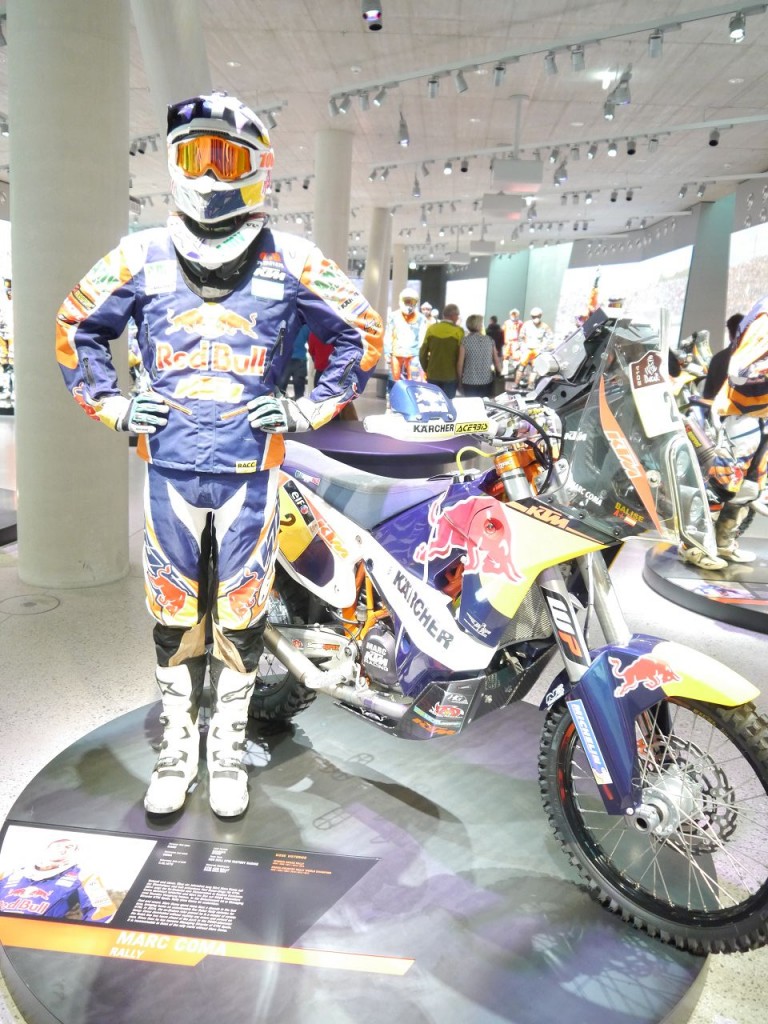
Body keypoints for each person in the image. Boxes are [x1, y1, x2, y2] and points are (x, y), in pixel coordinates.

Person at [56, 92, 383, 818]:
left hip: (251, 475)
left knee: (241, 618)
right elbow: (76, 322)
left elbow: (361, 330)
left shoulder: (290, 257)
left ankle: (226, 752)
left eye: (225, 158)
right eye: (194, 156)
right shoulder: (140, 254)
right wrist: (112, 405)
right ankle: (177, 751)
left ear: (258, 165)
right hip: (170, 471)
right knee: (174, 618)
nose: (207, 175)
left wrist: (308, 408)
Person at [0, 836, 116, 923]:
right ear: (46, 849)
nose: (62, 849)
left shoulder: (84, 876)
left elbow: (104, 911)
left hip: (35, 938)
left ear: (75, 853)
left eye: (68, 847)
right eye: (57, 845)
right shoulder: (8, 874)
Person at [384, 287, 428, 386]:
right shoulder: (393, 316)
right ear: (401, 301)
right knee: (394, 380)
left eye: (412, 302)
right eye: (407, 301)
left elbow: (422, 337)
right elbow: (388, 334)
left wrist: (421, 354)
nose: (409, 304)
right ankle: (391, 394)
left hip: (414, 354)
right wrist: (387, 351)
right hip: (396, 353)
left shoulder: (421, 318)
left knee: (414, 381)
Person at [418, 302, 463, 398]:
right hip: (450, 375)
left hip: (433, 373)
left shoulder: (431, 329)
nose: (458, 318)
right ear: (453, 316)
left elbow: (422, 353)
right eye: (457, 315)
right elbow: (461, 356)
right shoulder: (459, 331)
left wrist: (427, 368)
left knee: (433, 402)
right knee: (448, 402)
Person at [457, 314, 501, 398]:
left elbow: (460, 364)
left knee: (471, 404)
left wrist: (459, 381)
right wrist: (499, 372)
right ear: (478, 325)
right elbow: (496, 361)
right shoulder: (490, 340)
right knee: (485, 404)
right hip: (486, 381)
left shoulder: (465, 341)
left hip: (469, 381)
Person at [515, 307, 553, 388]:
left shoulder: (544, 326)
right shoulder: (526, 325)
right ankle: (516, 383)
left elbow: (550, 338)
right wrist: (522, 347)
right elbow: (521, 337)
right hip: (527, 349)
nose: (536, 318)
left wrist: (543, 348)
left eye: (537, 316)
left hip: (537, 350)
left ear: (540, 316)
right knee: (521, 366)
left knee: (535, 368)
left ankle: (530, 385)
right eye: (534, 316)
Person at [278, 321, 309, 399]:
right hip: (301, 359)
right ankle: (299, 404)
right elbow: (311, 341)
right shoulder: (305, 327)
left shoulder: (284, 325)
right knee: (299, 391)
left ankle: (280, 404)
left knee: (280, 390)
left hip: (285, 359)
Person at [502, 308, 523, 376]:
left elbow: (522, 332)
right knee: (506, 356)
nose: (514, 315)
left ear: (517, 315)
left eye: (515, 314)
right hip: (507, 341)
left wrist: (521, 342)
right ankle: (505, 370)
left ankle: (515, 370)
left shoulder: (520, 323)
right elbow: (502, 330)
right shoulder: (506, 322)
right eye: (512, 314)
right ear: (510, 315)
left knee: (516, 357)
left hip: (515, 341)